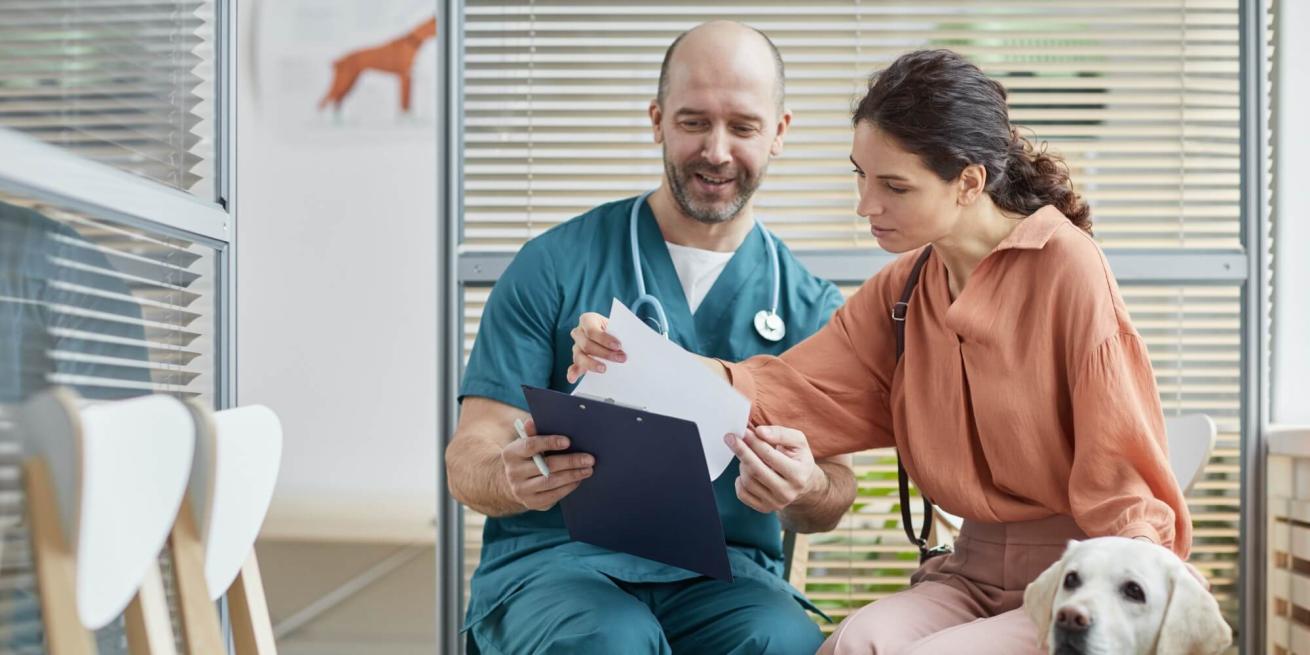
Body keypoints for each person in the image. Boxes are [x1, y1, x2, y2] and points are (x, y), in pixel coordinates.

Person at [569, 49, 1193, 654]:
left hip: (1073, 578)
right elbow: (786, 387)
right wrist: (634, 359)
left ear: (968, 182)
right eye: (861, 176)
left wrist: (1130, 609)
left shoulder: (1068, 269)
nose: (866, 205)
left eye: (894, 185)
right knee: (853, 643)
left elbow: (1126, 477)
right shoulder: (904, 288)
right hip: (968, 572)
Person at [445, 21, 856, 655]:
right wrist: (508, 475)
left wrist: (804, 489)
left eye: (743, 126)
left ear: (779, 133)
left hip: (725, 578)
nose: (716, 151)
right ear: (658, 119)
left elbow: (834, 489)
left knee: (781, 640)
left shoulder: (810, 306)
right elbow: (469, 457)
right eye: (694, 122)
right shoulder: (555, 265)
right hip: (559, 563)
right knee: (608, 639)